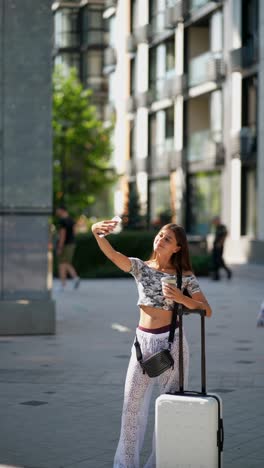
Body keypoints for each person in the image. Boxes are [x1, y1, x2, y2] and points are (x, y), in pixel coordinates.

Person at [91, 219, 212, 468]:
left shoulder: (185, 276)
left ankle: (162, 463)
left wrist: (182, 298)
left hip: (172, 342)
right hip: (142, 342)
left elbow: (206, 310)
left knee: (170, 408)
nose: (160, 239)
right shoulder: (140, 267)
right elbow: (114, 256)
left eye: (168, 238)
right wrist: (96, 234)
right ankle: (125, 465)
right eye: (159, 235)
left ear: (177, 248)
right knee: (131, 408)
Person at [56, 205, 80, 291]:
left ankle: (62, 285)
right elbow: (75, 232)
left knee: (62, 265)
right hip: (72, 244)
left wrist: (60, 247)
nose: (56, 212)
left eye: (57, 210)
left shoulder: (62, 221)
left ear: (62, 210)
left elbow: (62, 235)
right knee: (66, 263)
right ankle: (75, 278)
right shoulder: (71, 220)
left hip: (65, 245)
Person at [211, 216, 232, 281]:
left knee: (219, 260)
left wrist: (220, 243)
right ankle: (216, 276)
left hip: (219, 247)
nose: (214, 223)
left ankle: (228, 271)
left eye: (215, 221)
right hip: (215, 246)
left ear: (218, 220)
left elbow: (225, 235)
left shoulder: (223, 227)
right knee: (215, 261)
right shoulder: (217, 227)